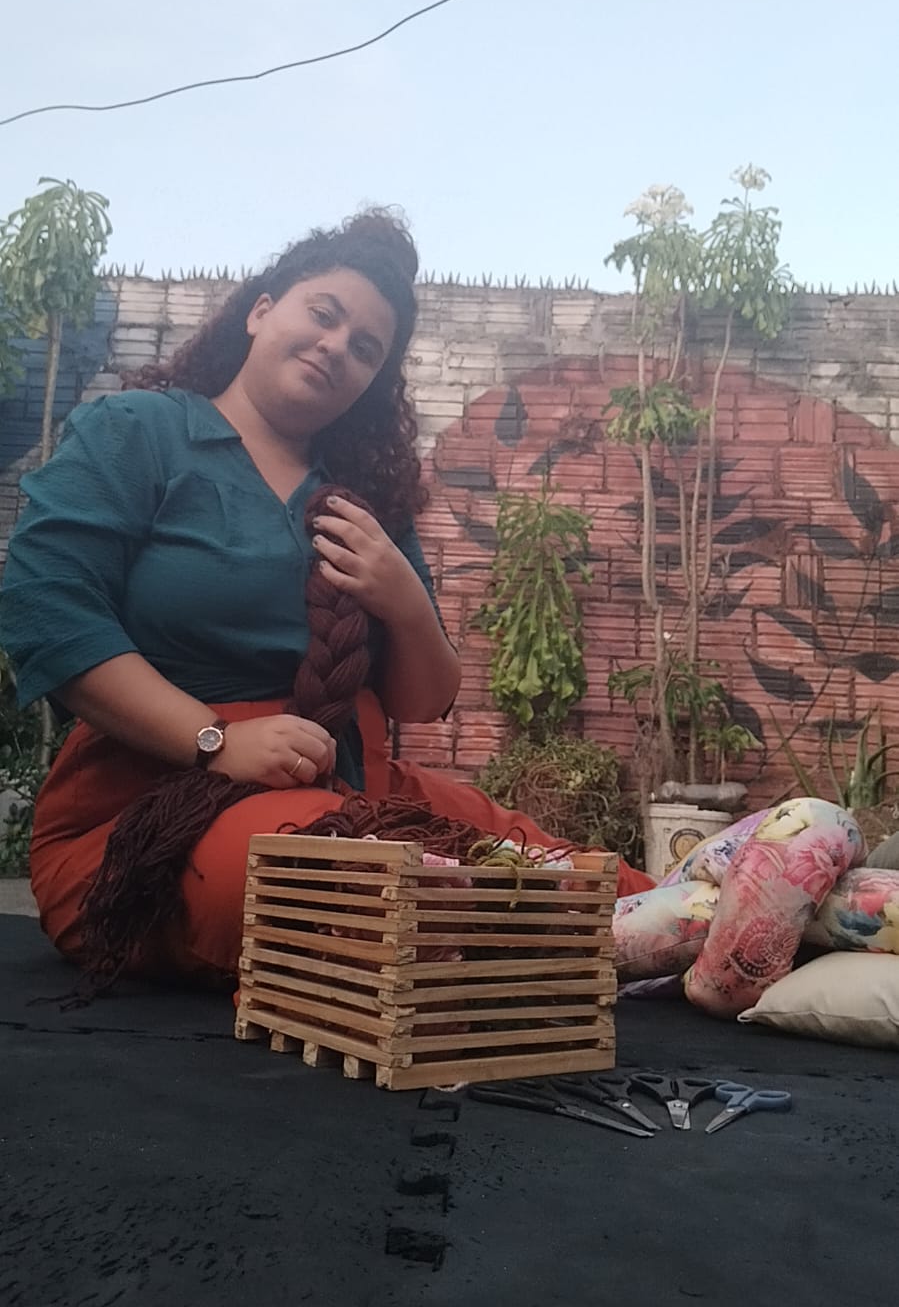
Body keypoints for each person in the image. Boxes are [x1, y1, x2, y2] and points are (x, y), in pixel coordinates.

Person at [0, 208, 653, 989]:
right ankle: (520, 938)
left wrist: (402, 597)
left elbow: (423, 698)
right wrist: (216, 741)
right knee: (353, 875)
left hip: (357, 794)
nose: (337, 345)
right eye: (323, 313)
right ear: (260, 309)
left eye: (365, 347)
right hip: (149, 817)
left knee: (601, 883)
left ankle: (727, 918)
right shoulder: (139, 432)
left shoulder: (359, 500)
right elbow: (47, 611)